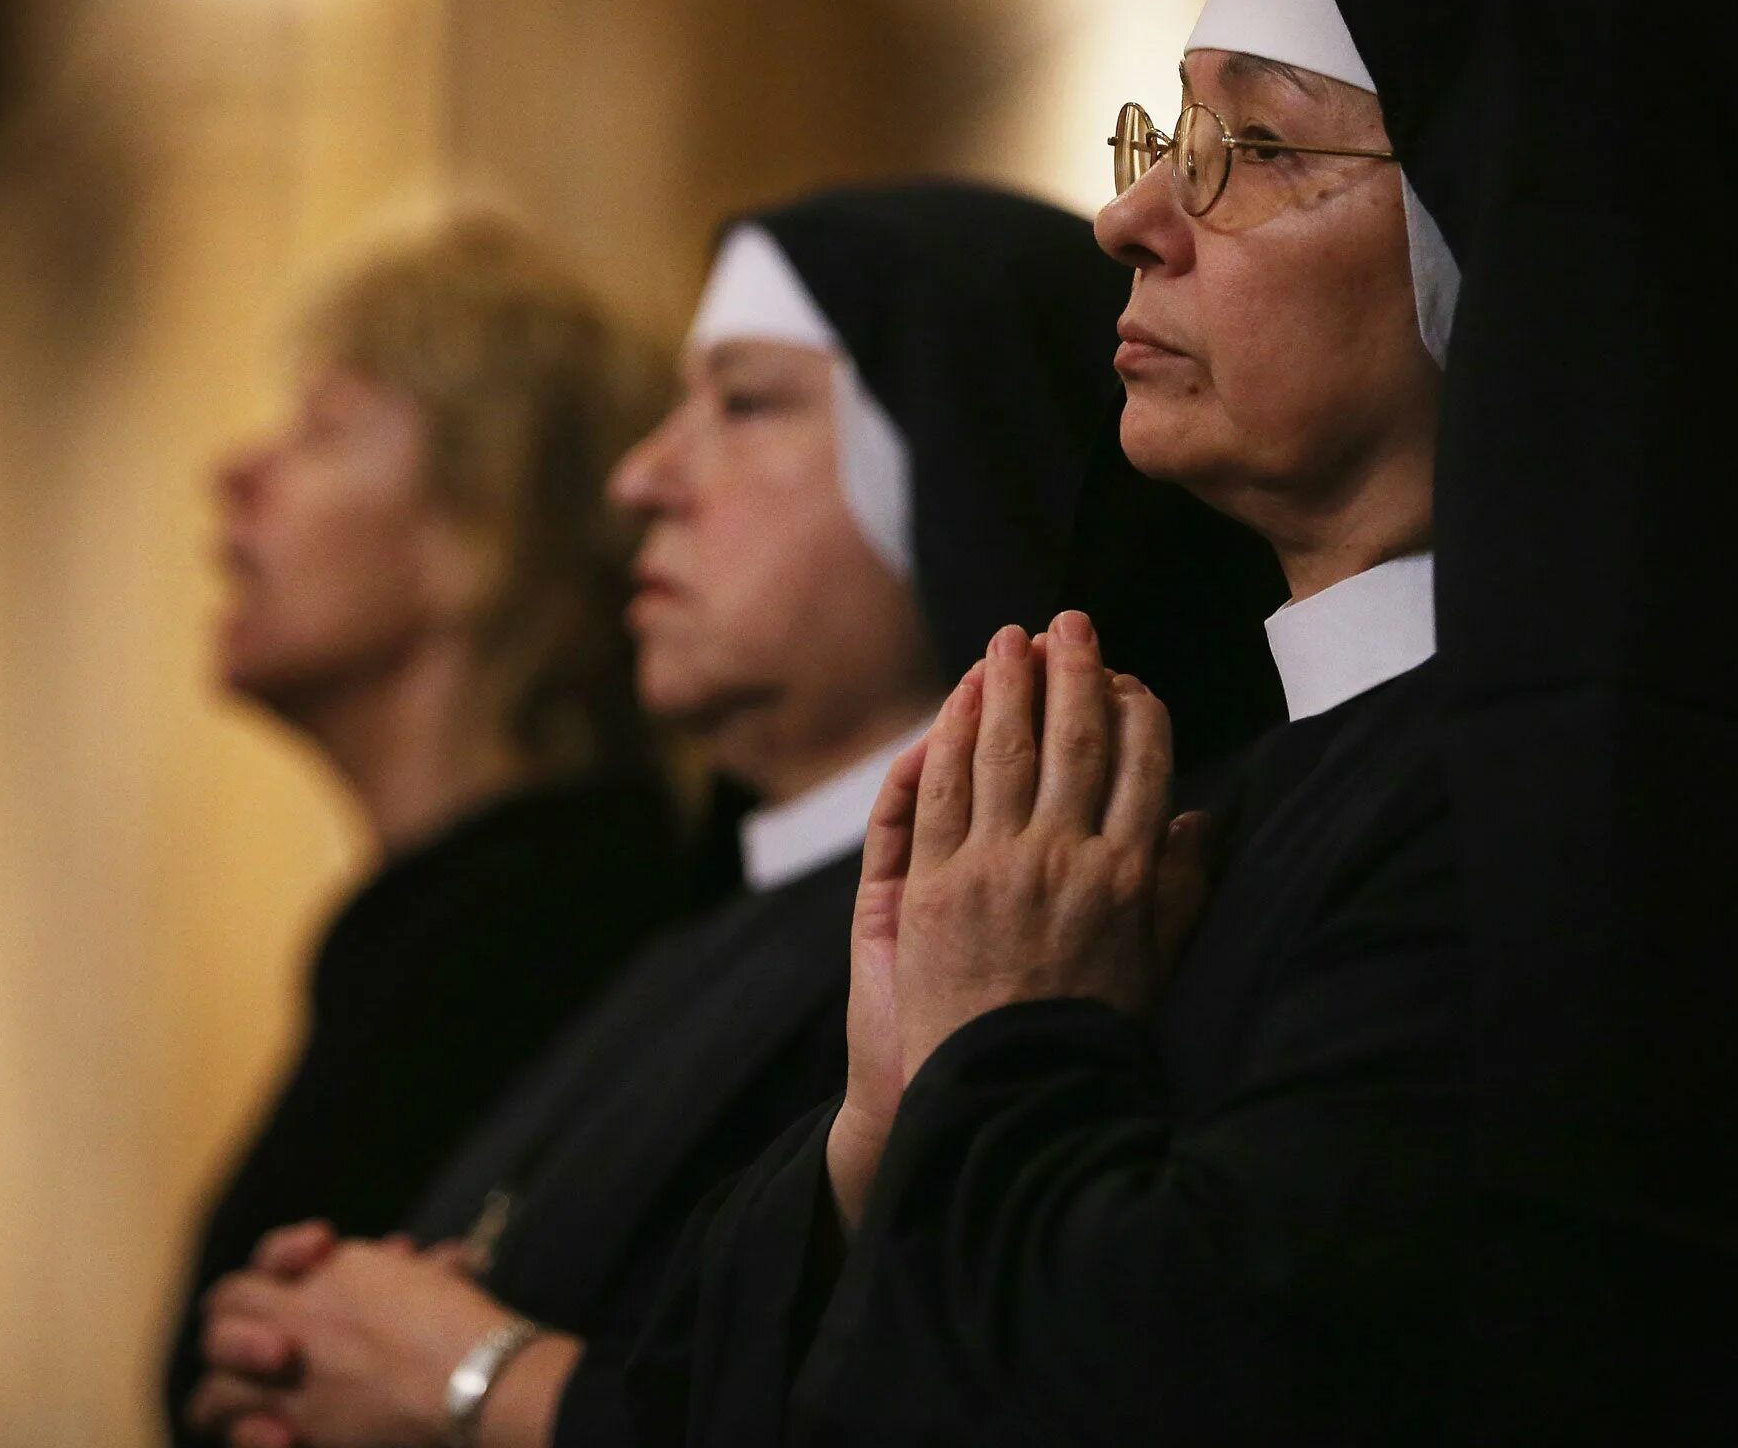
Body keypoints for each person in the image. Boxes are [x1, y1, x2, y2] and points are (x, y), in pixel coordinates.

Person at [632, 0, 1738, 1444]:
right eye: (1174, 130)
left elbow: (1203, 1372)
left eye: (1263, 144)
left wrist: (995, 1051)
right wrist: (884, 1128)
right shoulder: (1204, 796)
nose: (1132, 215)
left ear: (1536, 239)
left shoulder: (1598, 832)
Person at [183, 181, 1287, 1448]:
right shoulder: (697, 932)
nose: (643, 478)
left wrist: (462, 1378)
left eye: (746, 401)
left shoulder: (1054, 924)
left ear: (961, 462)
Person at [162, 213, 694, 1445]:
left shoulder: (555, 932)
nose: (236, 473)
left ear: (483, 526)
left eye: (325, 429)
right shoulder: (444, 920)